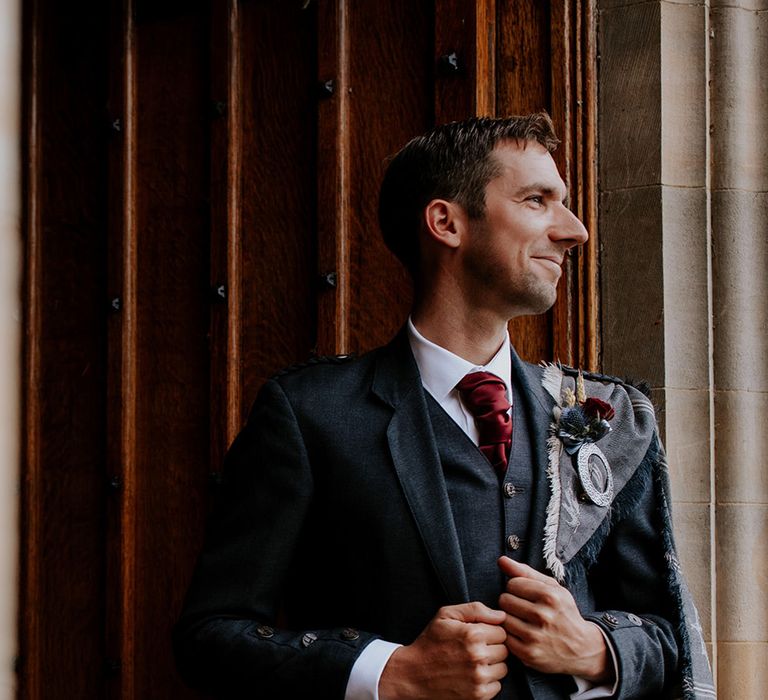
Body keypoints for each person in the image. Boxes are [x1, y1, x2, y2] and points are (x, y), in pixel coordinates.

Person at [174, 114, 714, 699]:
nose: (575, 230)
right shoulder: (309, 415)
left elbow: (672, 640)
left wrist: (595, 649)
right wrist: (387, 672)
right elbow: (209, 639)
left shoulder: (611, 417)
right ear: (446, 222)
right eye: (538, 201)